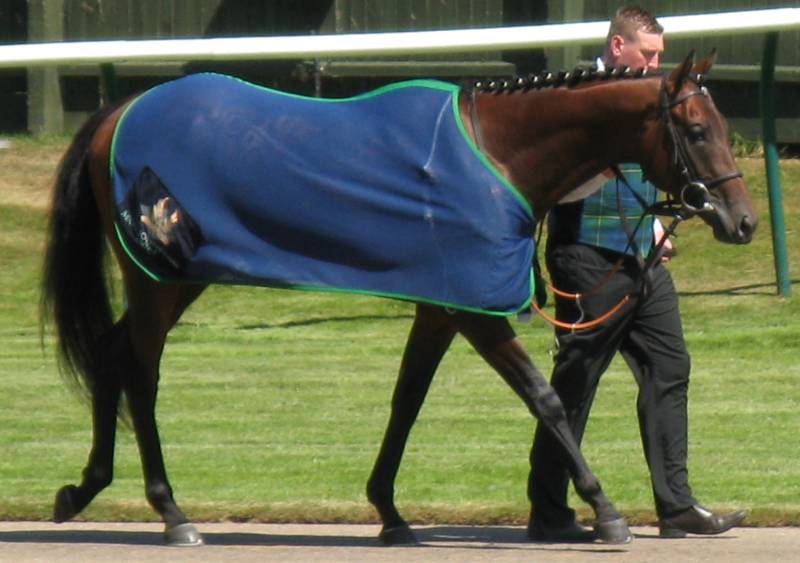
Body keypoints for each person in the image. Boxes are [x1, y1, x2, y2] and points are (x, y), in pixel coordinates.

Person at [527, 5, 746, 542]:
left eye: (659, 56)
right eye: (647, 54)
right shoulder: (578, 97)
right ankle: (549, 511)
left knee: (669, 366)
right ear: (617, 47)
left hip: (642, 259)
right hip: (585, 256)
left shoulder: (658, 97)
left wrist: (657, 227)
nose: (654, 65)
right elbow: (553, 186)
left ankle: (677, 506)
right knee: (577, 379)